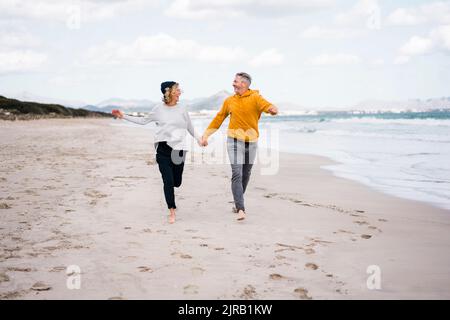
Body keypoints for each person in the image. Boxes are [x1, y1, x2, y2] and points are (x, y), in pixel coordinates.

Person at [112, 81, 202, 224]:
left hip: (179, 150)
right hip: (163, 149)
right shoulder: (158, 109)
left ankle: (172, 195)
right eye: (177, 90)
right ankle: (172, 210)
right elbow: (143, 121)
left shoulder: (182, 108)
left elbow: (190, 127)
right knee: (168, 181)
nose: (180, 92)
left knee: (177, 182)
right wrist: (124, 116)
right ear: (170, 92)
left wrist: (199, 139)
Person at [200, 72, 278, 221]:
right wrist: (206, 135)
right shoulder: (229, 101)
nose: (233, 84)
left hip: (252, 142)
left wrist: (273, 109)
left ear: (244, 84)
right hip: (234, 141)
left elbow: (268, 106)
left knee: (246, 174)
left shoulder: (255, 98)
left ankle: (237, 203)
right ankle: (241, 208)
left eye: (235, 81)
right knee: (237, 172)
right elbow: (218, 119)